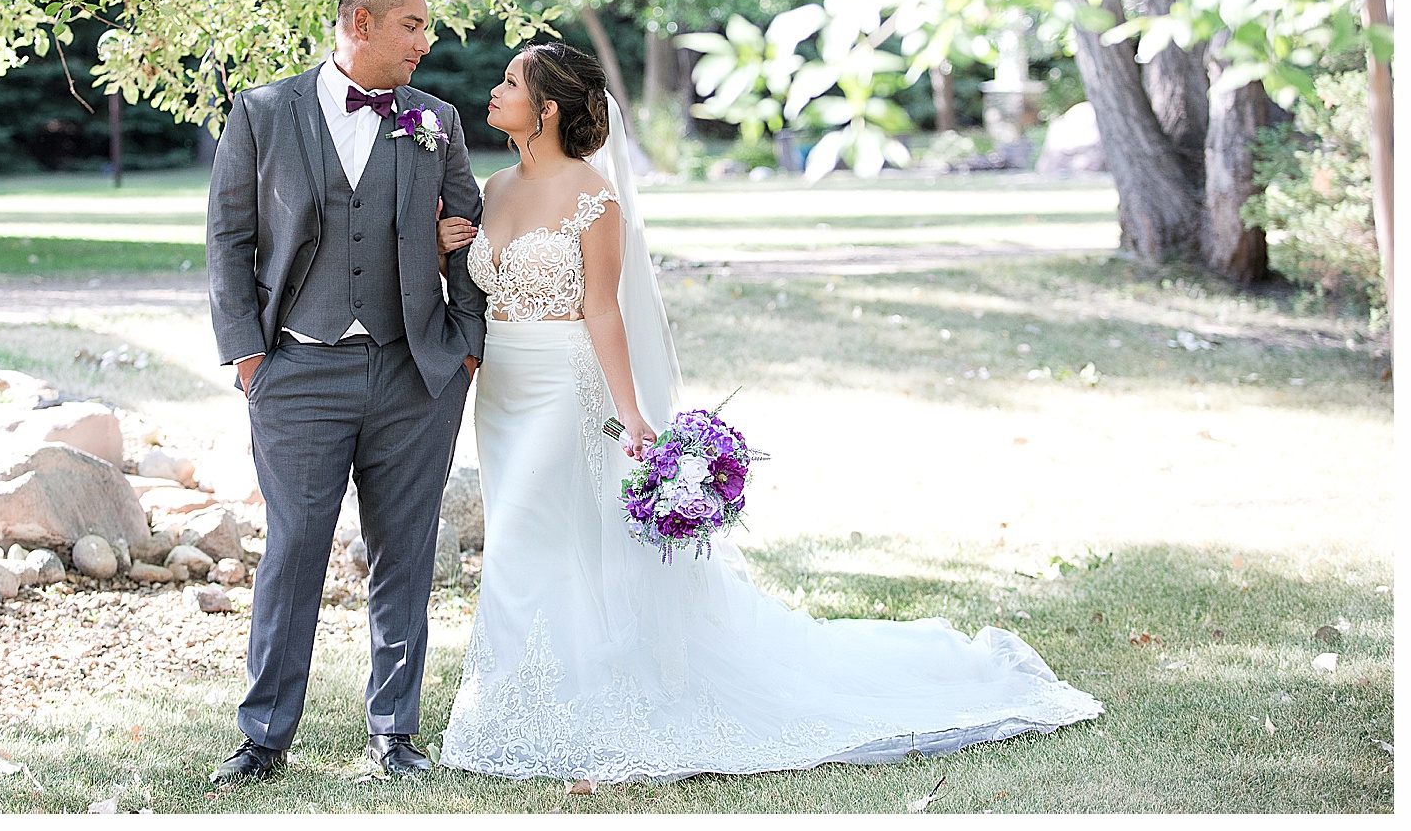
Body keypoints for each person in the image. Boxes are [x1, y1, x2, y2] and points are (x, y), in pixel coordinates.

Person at [433, 41, 1102, 783]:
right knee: (521, 537)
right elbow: (477, 280)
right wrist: (442, 247)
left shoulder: (595, 197)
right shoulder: (493, 189)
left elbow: (604, 313)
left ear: (548, 108)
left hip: (566, 388)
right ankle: (519, 696)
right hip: (502, 391)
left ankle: (572, 702)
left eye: (511, 83)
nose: (494, 92)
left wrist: (633, 416)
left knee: (539, 533)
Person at [204, 0, 485, 784]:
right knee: (293, 550)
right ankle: (263, 738)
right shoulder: (262, 112)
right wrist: (251, 358)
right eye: (412, 26)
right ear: (359, 23)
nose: (425, 44)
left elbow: (466, 232)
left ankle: (395, 732)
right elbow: (229, 241)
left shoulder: (436, 120)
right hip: (296, 370)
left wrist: (464, 344)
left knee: (407, 552)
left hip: (415, 374)